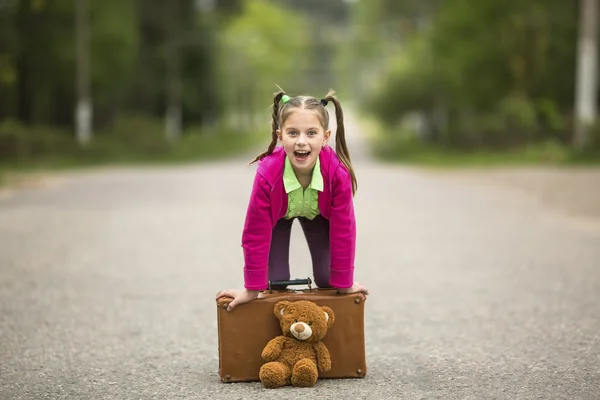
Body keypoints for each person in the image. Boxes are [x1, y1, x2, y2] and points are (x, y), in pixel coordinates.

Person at [216, 89, 369, 311]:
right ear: (280, 136)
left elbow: (344, 229)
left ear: (325, 137)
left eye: (311, 133)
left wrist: (345, 284)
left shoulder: (337, 174)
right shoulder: (267, 175)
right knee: (275, 283)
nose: (301, 142)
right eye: (293, 133)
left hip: (318, 215)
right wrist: (251, 288)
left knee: (329, 280)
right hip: (278, 218)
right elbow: (255, 232)